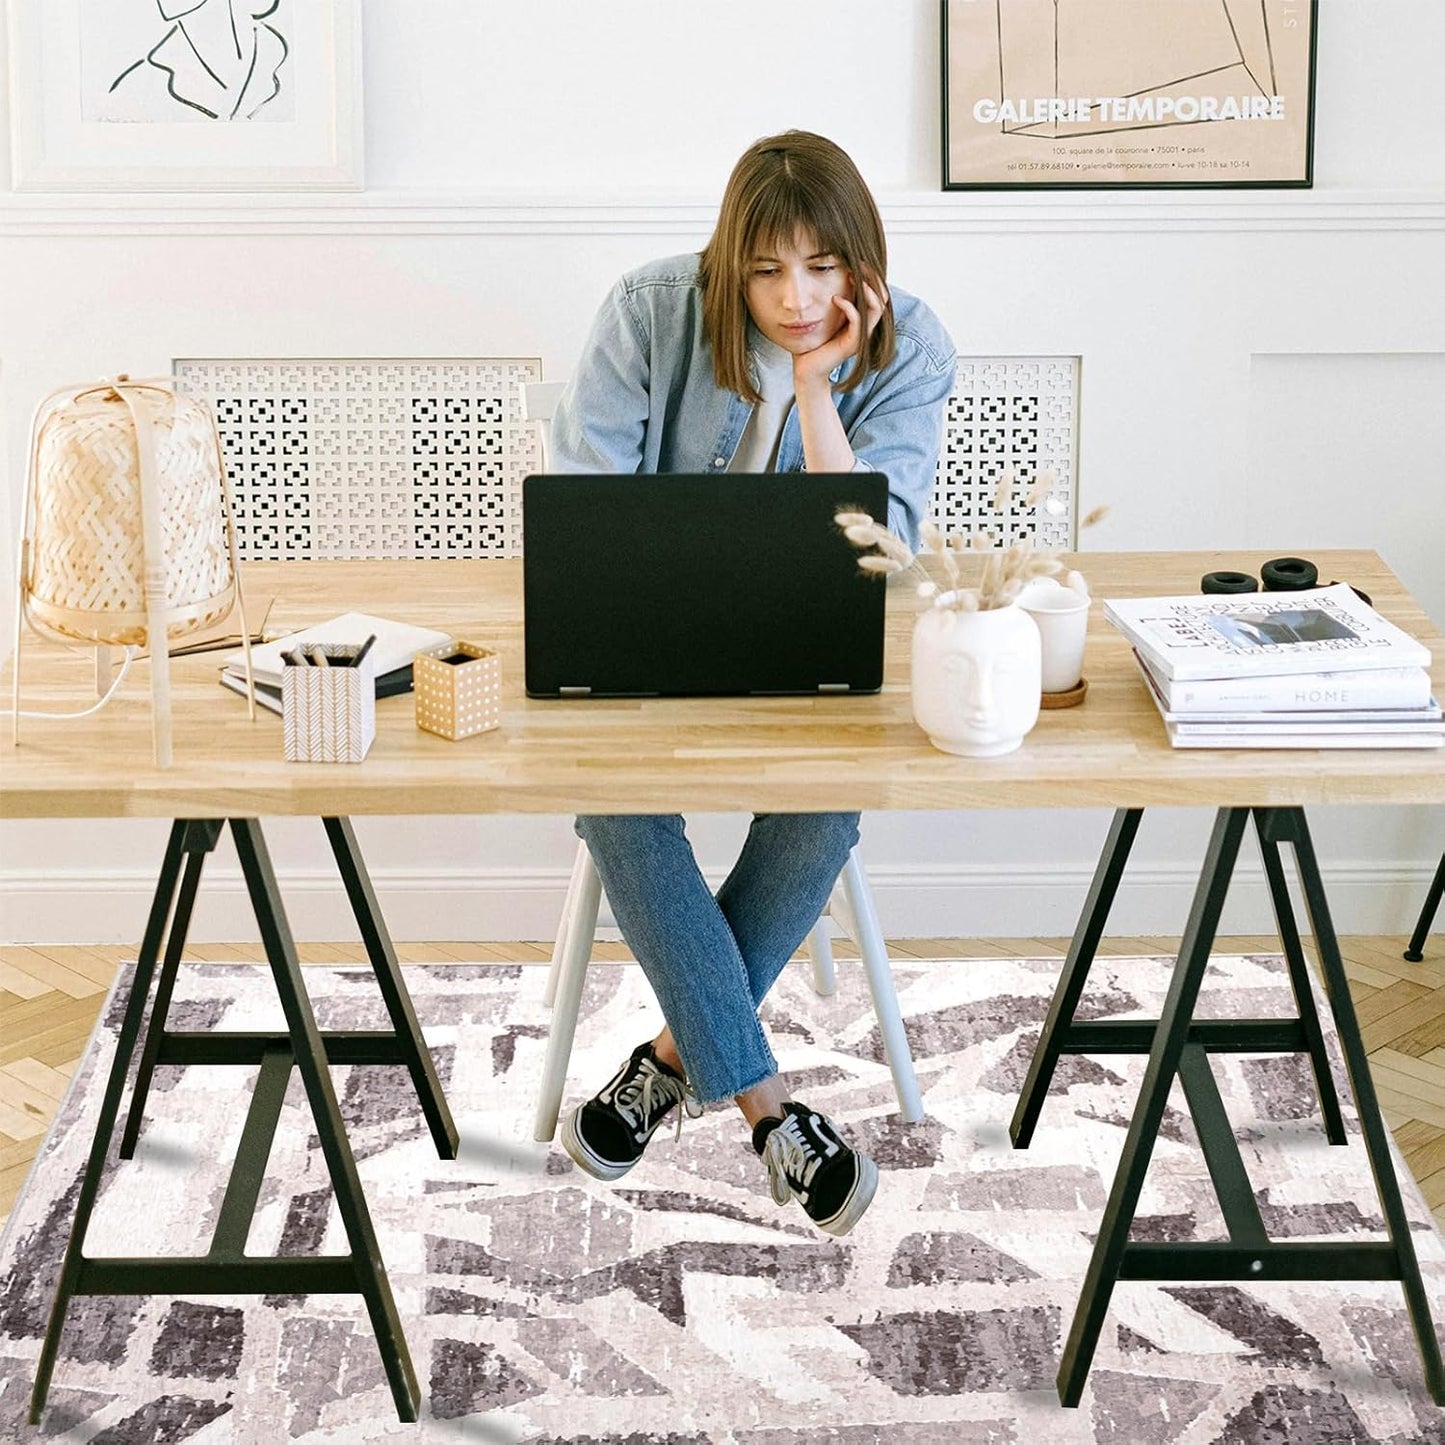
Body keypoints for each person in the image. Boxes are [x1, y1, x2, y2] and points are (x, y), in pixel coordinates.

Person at [549, 130, 956, 1237]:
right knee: (617, 801)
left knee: (824, 805)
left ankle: (670, 1061)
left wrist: (818, 390)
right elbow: (585, 514)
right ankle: (769, 1109)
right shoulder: (647, 312)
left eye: (822, 267)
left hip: (805, 656)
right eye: (766, 270)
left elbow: (878, 555)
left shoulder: (910, 347)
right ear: (729, 259)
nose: (793, 298)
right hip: (644, 650)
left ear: (861, 261)